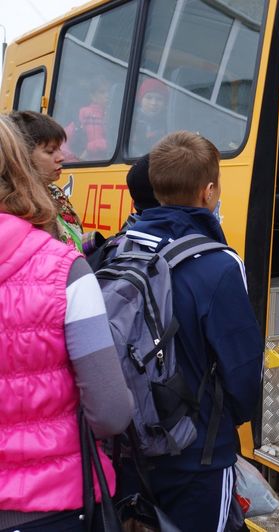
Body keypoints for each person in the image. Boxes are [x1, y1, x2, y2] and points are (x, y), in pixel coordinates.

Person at [123, 131, 263, 531]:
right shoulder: (219, 264)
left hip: (130, 442)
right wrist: (228, 425)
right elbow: (242, 368)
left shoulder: (118, 248)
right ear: (209, 191)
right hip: (197, 453)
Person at [0, 115, 133, 531]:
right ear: (20, 167)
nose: (62, 158)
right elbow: (111, 413)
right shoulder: (65, 270)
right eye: (49, 150)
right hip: (50, 505)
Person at [9, 110, 85, 251]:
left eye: (59, 149)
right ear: (23, 155)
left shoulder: (56, 193)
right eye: (50, 151)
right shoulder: (14, 205)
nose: (61, 157)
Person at [130, 78, 168, 156]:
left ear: (165, 103)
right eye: (149, 97)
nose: (153, 103)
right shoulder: (132, 119)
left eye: (159, 99)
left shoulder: (167, 122)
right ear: (140, 99)